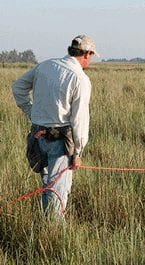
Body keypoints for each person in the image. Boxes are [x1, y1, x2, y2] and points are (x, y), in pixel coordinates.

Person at [12, 34, 99, 218]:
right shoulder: (80, 79)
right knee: (57, 191)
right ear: (87, 54)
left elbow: (18, 87)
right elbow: (79, 120)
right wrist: (78, 153)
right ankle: (54, 234)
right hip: (60, 142)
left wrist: (32, 112)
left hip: (36, 135)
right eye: (91, 56)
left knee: (47, 185)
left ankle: (46, 222)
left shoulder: (45, 65)